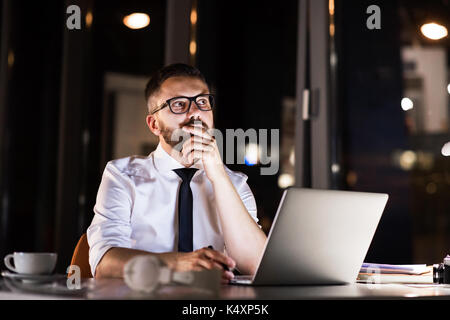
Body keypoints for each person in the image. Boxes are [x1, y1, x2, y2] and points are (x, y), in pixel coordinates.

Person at [87, 63, 267, 283]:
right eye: (179, 104)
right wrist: (177, 264)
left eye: (202, 102)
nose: (195, 113)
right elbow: (105, 263)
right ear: (154, 124)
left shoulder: (235, 184)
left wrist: (219, 175)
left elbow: (256, 265)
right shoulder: (122, 175)